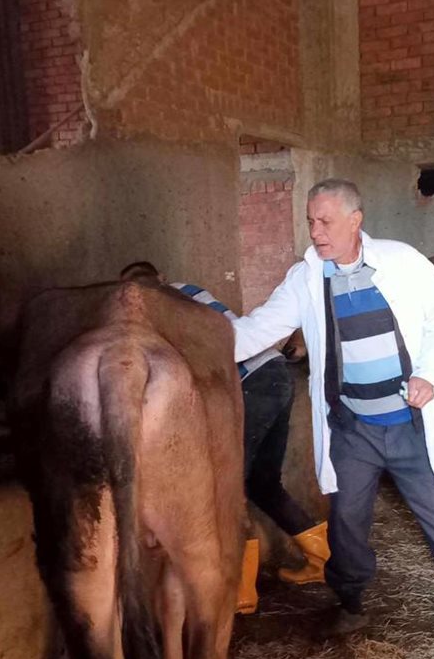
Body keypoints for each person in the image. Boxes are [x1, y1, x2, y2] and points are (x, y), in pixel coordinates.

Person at [228, 179, 434, 636]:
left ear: (355, 221)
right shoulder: (307, 278)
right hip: (353, 428)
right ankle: (350, 602)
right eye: (311, 221)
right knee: (346, 521)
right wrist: (199, 345)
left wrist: (429, 373)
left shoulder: (402, 261)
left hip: (410, 424)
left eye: (325, 221)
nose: (316, 232)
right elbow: (258, 329)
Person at [118, 261, 330, 614]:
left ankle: (240, 591)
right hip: (275, 373)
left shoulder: (160, 307)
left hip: (247, 384)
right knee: (263, 483)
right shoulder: (192, 291)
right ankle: (322, 559)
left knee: (227, 489)